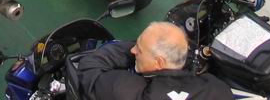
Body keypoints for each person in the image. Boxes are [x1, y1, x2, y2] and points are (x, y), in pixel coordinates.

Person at [74, 21, 234, 100]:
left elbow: (90, 68)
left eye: (138, 49)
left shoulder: (130, 91)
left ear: (159, 63)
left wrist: (131, 49)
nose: (133, 51)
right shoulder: (217, 89)